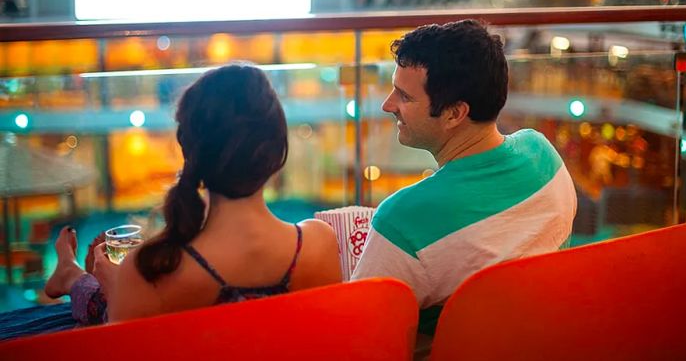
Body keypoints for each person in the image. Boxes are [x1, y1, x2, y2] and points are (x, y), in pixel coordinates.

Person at [5, 63, 341, 334]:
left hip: (134, 295)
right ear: (277, 153)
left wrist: (122, 286)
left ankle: (76, 277)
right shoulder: (318, 245)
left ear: (190, 152)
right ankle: (78, 276)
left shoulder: (153, 269)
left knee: (103, 297)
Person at [351, 20, 577, 336]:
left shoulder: (404, 220)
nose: (388, 105)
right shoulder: (544, 158)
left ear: (455, 113)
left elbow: (356, 331)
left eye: (404, 96)